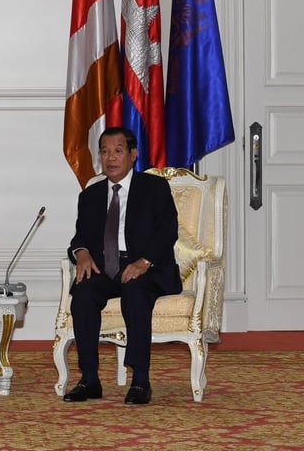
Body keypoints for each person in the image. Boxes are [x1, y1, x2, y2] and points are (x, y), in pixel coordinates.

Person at [63, 126, 181, 405]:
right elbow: (80, 237)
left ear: (133, 154)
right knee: (83, 293)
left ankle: (140, 380)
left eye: (118, 151)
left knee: (136, 294)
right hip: (106, 267)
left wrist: (144, 261)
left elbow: (168, 231)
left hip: (145, 268)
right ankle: (89, 378)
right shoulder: (90, 195)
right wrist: (81, 253)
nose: (111, 158)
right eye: (105, 152)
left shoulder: (154, 188)